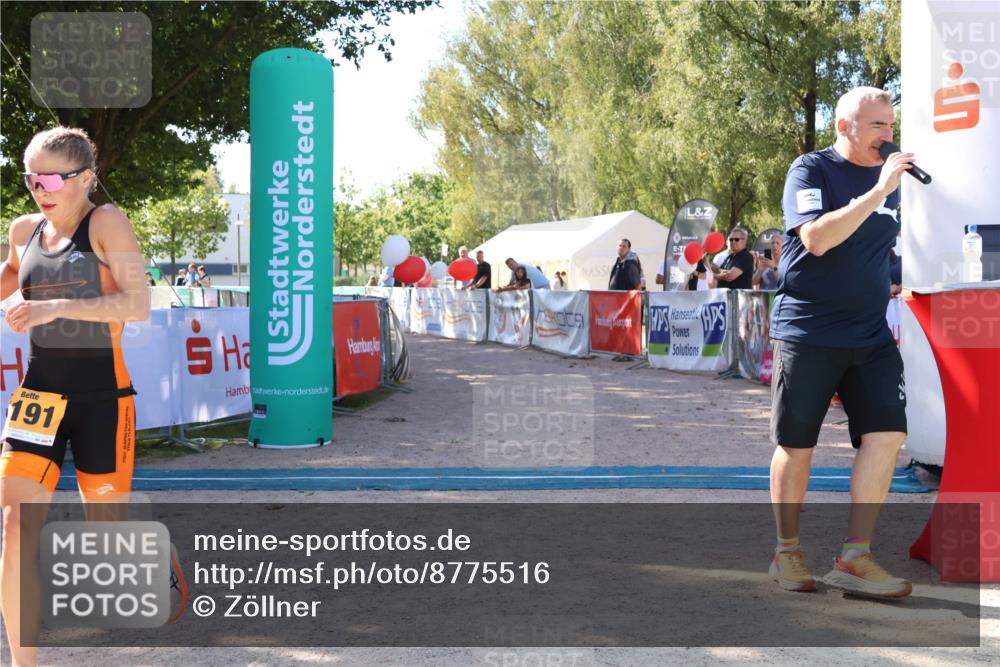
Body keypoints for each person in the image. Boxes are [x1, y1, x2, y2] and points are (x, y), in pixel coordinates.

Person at [0, 127, 183, 666]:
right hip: (40, 398)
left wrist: (55, 308)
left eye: (52, 177)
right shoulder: (23, 230)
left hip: (104, 397)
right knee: (13, 526)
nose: (39, 187)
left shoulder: (106, 222)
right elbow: (10, 276)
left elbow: (136, 306)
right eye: (31, 177)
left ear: (84, 179)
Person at [768, 86, 912, 598]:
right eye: (877, 126)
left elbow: (887, 248)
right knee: (797, 445)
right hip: (808, 330)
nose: (887, 136)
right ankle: (787, 553)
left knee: (888, 435)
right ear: (845, 128)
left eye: (891, 126)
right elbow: (817, 239)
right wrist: (877, 190)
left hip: (870, 334)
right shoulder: (810, 170)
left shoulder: (894, 181)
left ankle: (855, 557)